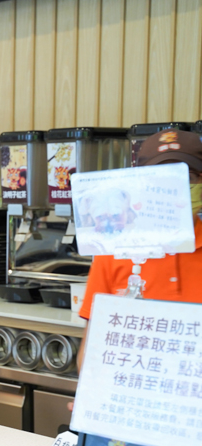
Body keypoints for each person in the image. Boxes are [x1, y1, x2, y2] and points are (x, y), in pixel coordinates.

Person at [77, 129, 202, 371]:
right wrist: (88, 400)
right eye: (162, 177)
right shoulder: (113, 252)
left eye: (189, 176)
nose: (175, 187)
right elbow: (92, 346)